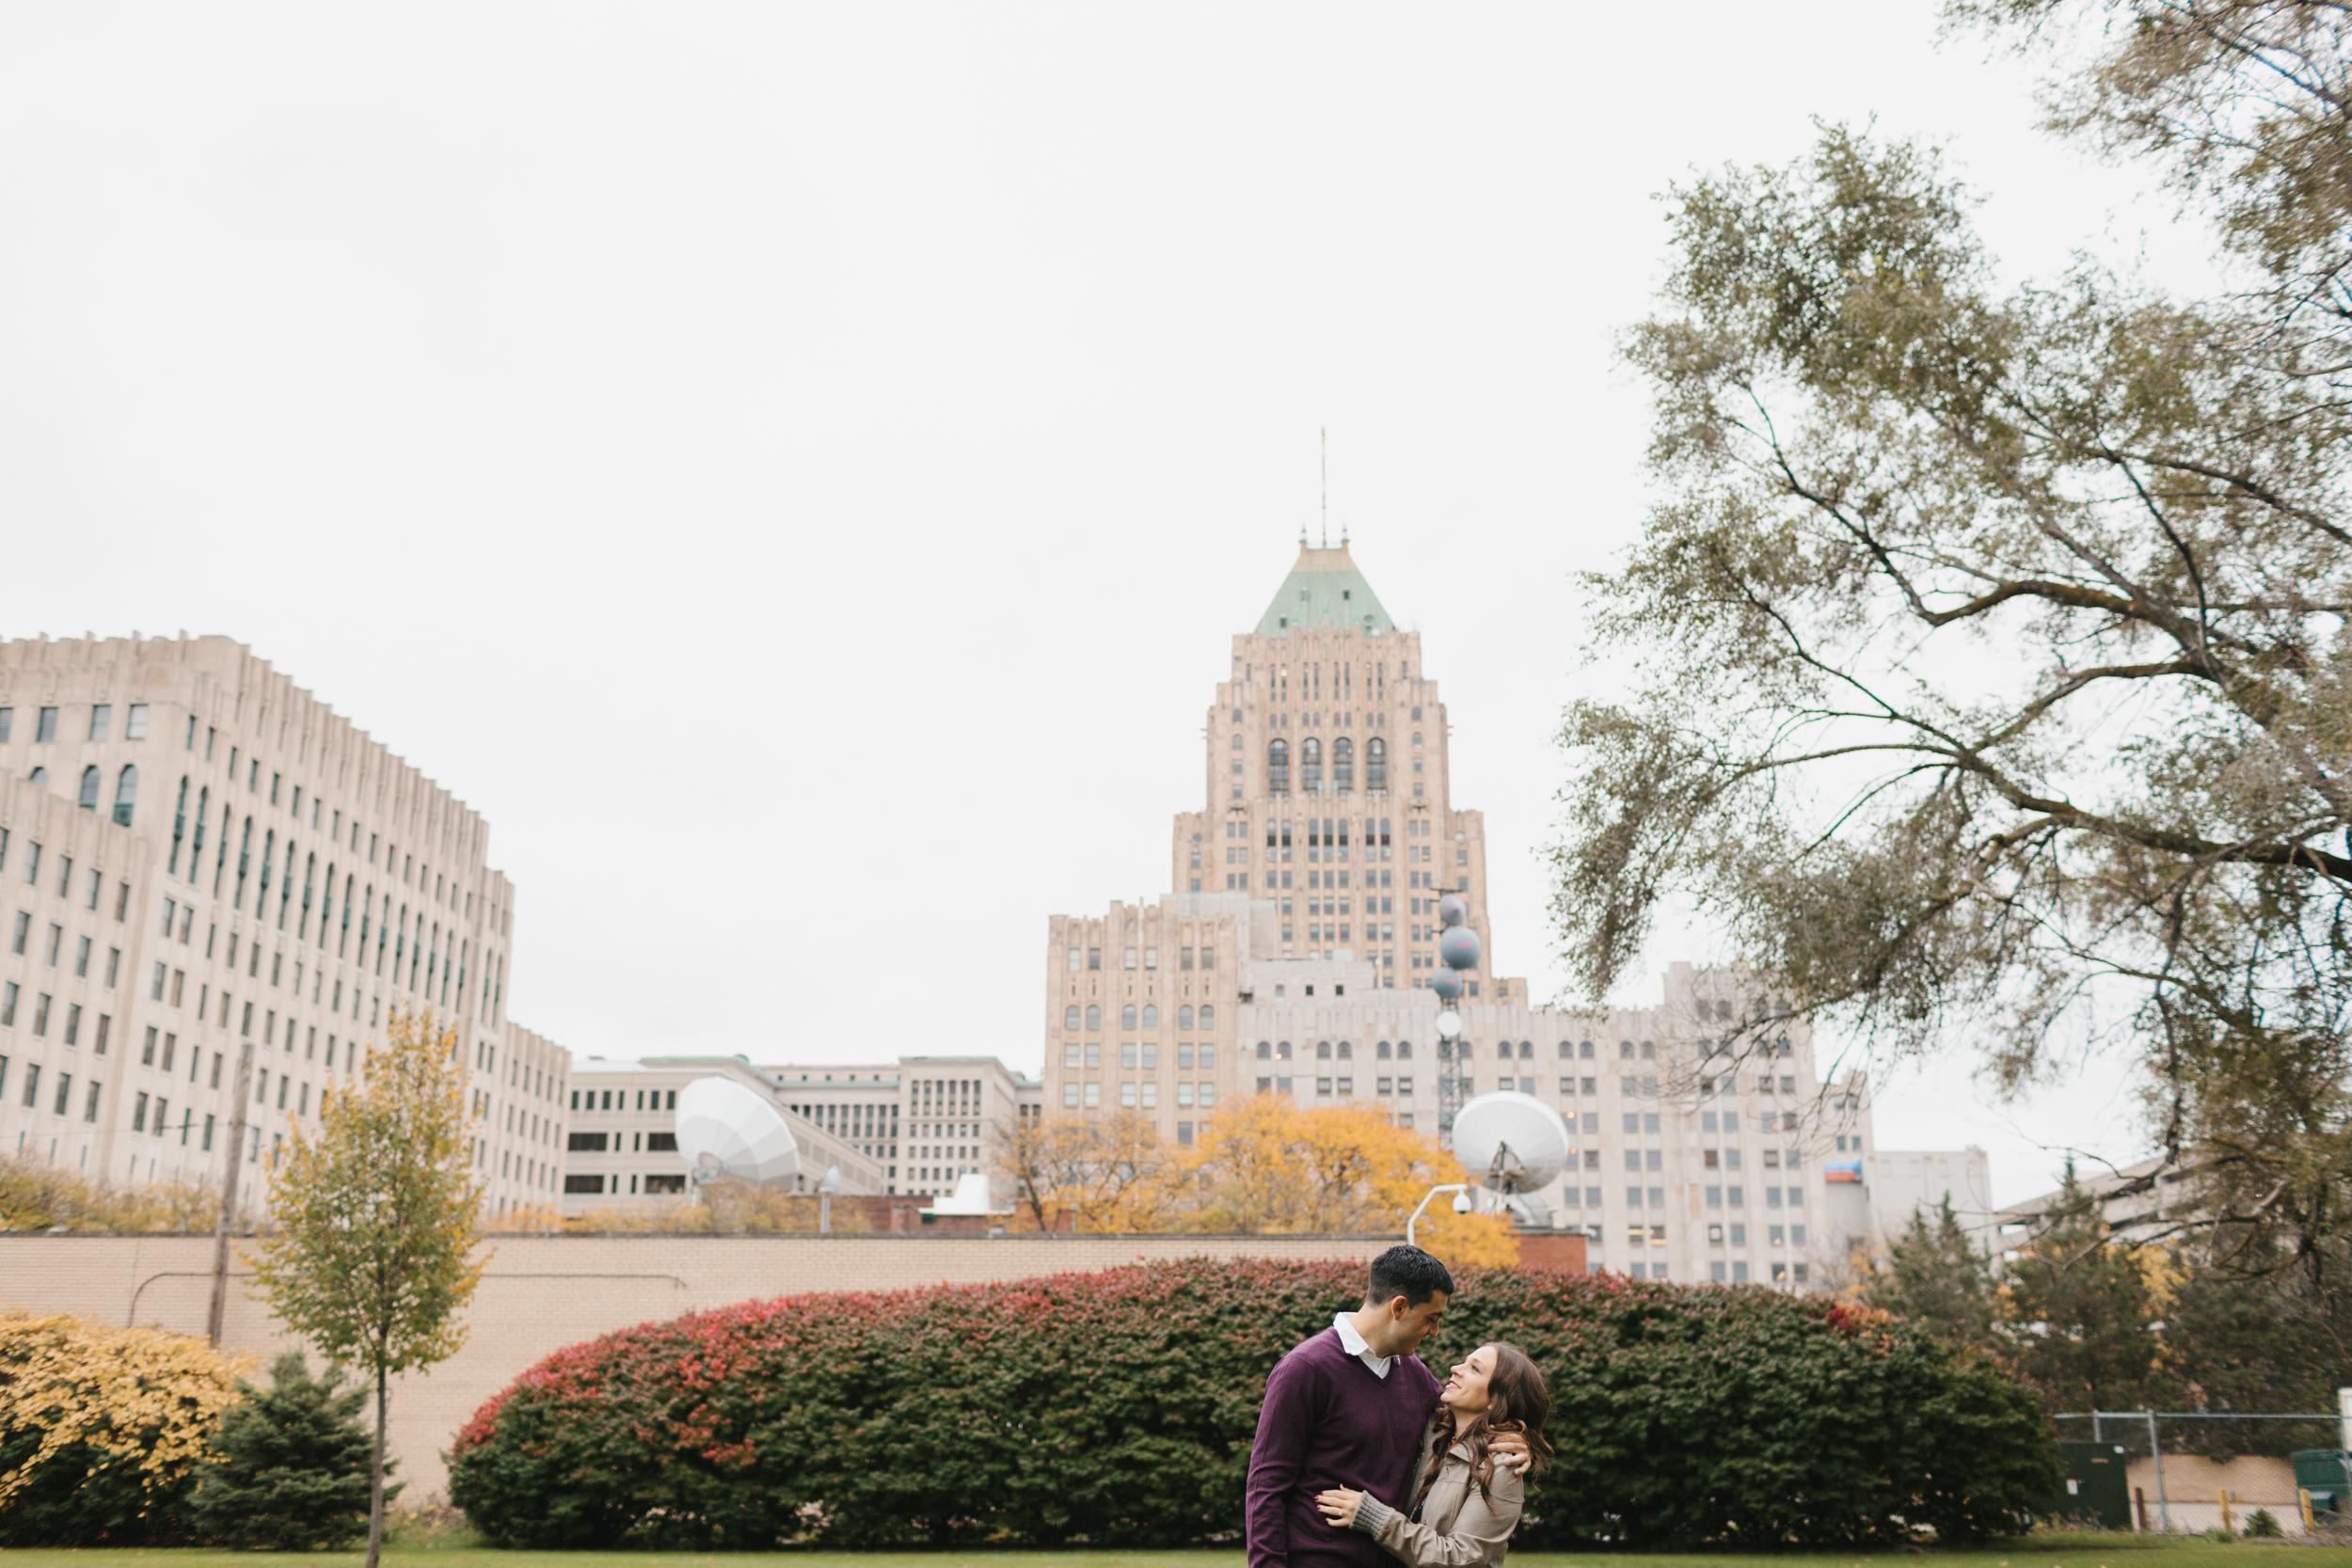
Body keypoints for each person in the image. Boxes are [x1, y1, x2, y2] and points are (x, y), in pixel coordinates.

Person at [1245, 1246, 1528, 1568]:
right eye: (1431, 1318)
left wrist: (1512, 1440)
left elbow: (1464, 1425)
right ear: (1399, 1307)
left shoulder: (1415, 1376)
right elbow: (1266, 1487)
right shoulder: (1305, 1369)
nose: (1435, 1332)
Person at [1311, 1342, 1554, 1568]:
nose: (1455, 1369)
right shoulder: (1435, 1435)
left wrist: (1375, 1518)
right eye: (1464, 1361)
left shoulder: (1502, 1465)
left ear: (1496, 1399)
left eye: (1474, 1369)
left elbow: (1462, 1558)